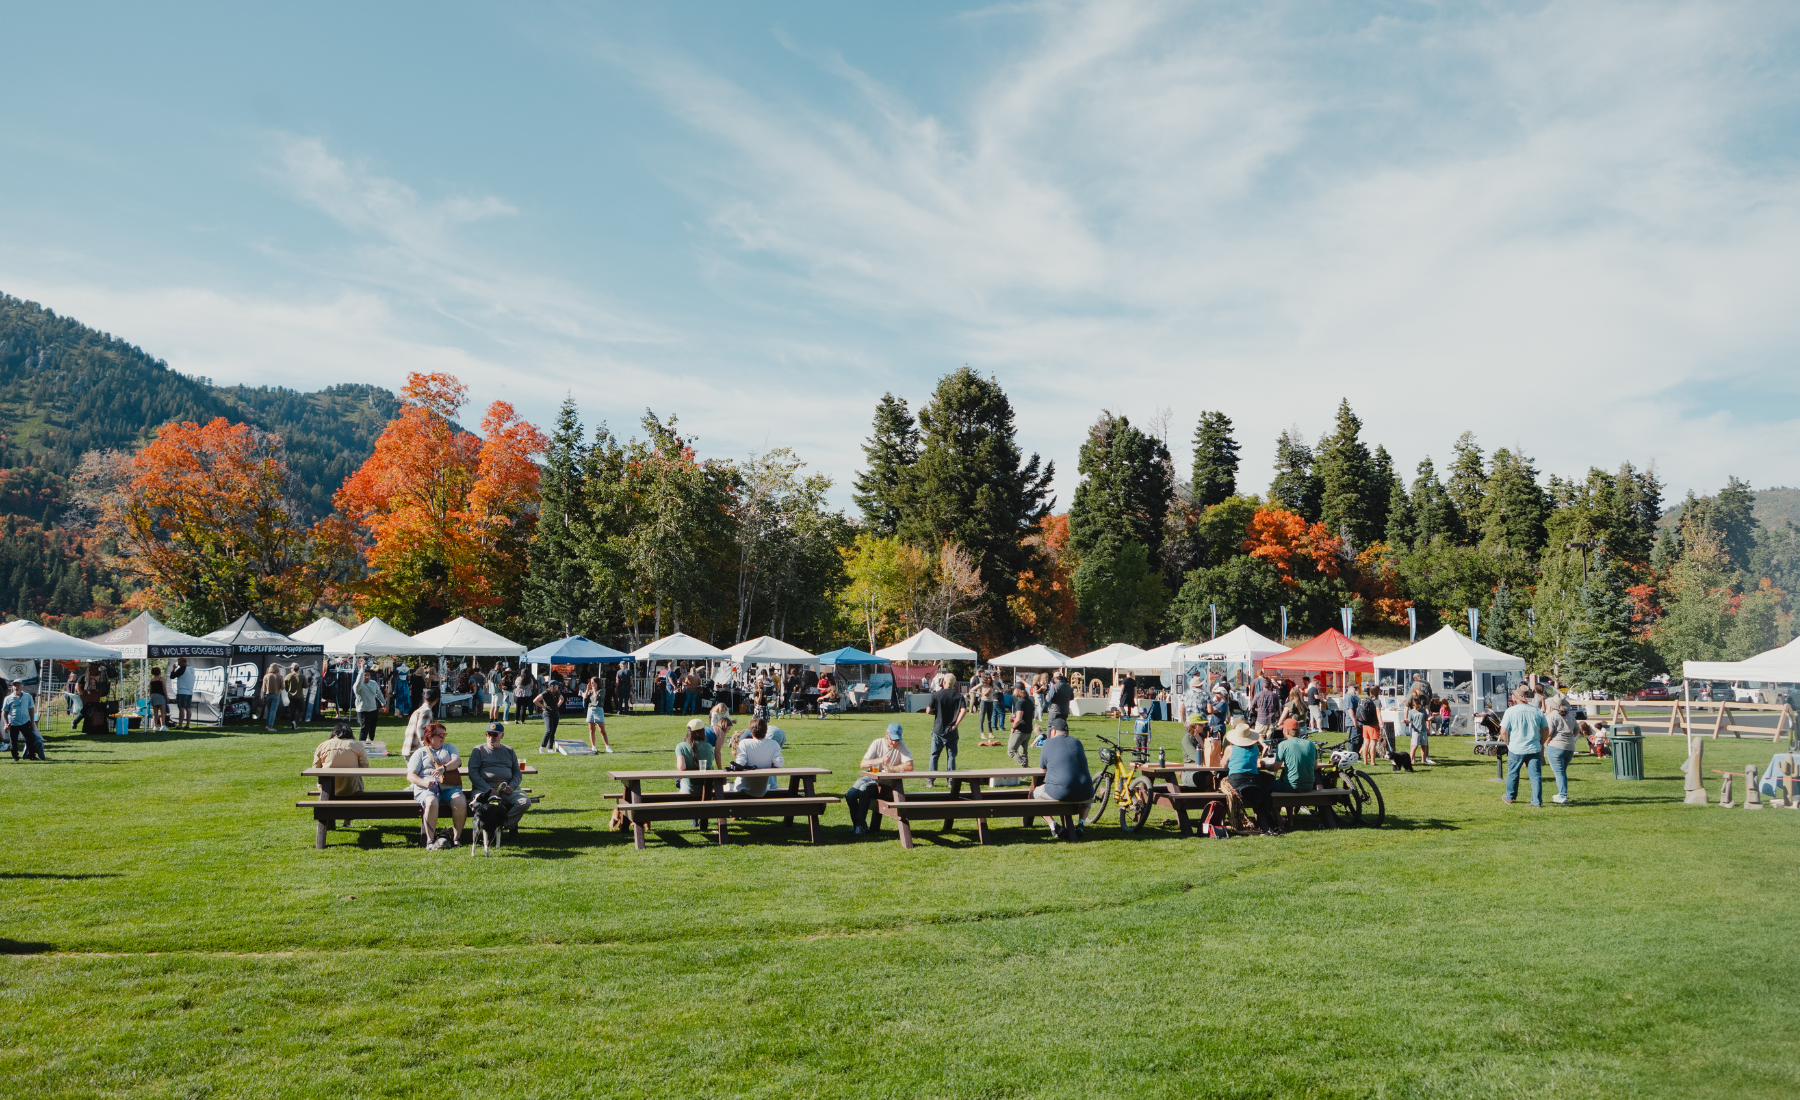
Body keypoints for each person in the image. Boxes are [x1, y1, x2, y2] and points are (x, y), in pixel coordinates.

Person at [846, 722, 913, 834]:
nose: (894, 742)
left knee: (864, 790)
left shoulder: (901, 745)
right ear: (886, 734)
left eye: (897, 740)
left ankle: (860, 826)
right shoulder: (877, 743)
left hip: (886, 783)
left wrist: (893, 768)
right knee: (850, 795)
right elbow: (863, 763)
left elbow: (910, 766)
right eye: (892, 739)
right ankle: (857, 824)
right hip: (870, 777)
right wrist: (879, 760)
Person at [408, 723, 465, 849]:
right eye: (440, 734)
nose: (443, 737)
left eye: (444, 734)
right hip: (427, 789)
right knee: (432, 802)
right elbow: (410, 775)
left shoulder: (449, 747)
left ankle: (457, 838)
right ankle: (430, 841)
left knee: (460, 801)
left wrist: (443, 768)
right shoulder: (420, 753)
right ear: (429, 736)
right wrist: (424, 783)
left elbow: (457, 761)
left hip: (449, 787)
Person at [1035, 719, 1095, 839]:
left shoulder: (1047, 743)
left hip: (1061, 790)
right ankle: (1081, 824)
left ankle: (1053, 825)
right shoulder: (1077, 742)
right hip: (1086, 790)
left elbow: (1042, 769)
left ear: (1053, 731)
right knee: (1085, 792)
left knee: (1033, 795)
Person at [469, 721, 530, 833]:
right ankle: (487, 829)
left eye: (495, 735)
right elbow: (473, 774)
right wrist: (488, 790)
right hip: (483, 789)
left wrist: (511, 786)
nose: (491, 737)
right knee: (478, 803)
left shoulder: (509, 750)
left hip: (507, 789)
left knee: (524, 802)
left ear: (502, 735)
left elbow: (517, 773)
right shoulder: (478, 750)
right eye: (488, 734)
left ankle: (501, 825)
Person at [1222, 720, 1281, 836]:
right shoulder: (1254, 749)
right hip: (1254, 782)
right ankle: (1267, 823)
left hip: (1236, 782)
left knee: (1222, 786)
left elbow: (1222, 765)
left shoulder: (1230, 748)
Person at [1502, 686, 1548, 807]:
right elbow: (1546, 730)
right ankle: (1536, 801)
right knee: (1535, 775)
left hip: (1516, 747)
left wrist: (1507, 743)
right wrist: (1541, 742)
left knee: (1513, 773)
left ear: (1516, 697)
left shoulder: (1510, 711)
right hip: (1534, 747)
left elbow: (1503, 731)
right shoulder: (1537, 711)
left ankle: (1510, 796)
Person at [925, 671, 966, 780]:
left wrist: (936, 712)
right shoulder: (958, 696)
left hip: (938, 728)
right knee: (951, 756)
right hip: (952, 729)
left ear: (944, 682)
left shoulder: (936, 695)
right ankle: (951, 780)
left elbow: (928, 710)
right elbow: (963, 710)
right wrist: (956, 724)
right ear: (953, 683)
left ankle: (930, 780)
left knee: (934, 755)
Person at [731, 716, 784, 795]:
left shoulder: (744, 743)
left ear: (750, 731)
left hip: (743, 787)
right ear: (766, 729)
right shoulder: (774, 744)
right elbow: (779, 763)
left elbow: (740, 763)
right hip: (765, 788)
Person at [311, 722, 369, 795]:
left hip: (327, 788)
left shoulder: (323, 745)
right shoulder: (357, 745)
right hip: (352, 788)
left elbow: (316, 769)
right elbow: (364, 767)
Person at [1544, 696, 1578, 804]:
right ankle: (1561, 793)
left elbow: (1549, 732)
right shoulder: (1570, 716)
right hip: (1569, 747)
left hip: (1556, 746)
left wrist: (1546, 742)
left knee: (1559, 772)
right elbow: (1577, 730)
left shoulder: (1552, 715)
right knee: (1562, 771)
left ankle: (1563, 796)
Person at [4, 679, 43, 761]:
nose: (16, 687)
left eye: (18, 685)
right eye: (15, 685)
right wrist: (5, 723)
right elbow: (4, 712)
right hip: (13, 723)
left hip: (25, 722)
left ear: (22, 686)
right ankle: (15, 757)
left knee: (31, 739)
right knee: (13, 742)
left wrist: (32, 721)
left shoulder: (28, 696)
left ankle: (31, 755)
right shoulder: (8, 698)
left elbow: (31, 709)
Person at [675, 719, 715, 793]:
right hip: (706, 789)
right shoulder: (709, 746)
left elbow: (681, 767)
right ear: (702, 731)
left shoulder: (681, 746)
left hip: (688, 787)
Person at [1274, 727, 1317, 794]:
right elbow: (1315, 766)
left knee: (1266, 786)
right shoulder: (1310, 744)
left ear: (1286, 731)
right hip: (1309, 786)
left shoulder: (1283, 744)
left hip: (1291, 786)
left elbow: (1275, 768)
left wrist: (1265, 765)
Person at [402, 688, 440, 760]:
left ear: (424, 698)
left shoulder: (418, 711)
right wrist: (428, 749)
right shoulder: (426, 711)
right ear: (437, 700)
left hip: (408, 747)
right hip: (415, 751)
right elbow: (422, 731)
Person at [1008, 677, 1037, 768]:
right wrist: (1015, 716)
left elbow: (1019, 719)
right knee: (1023, 753)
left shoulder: (1019, 702)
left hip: (1020, 730)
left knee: (1011, 751)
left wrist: (1013, 727)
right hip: (1028, 730)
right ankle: (1025, 774)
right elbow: (1030, 715)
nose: (1013, 691)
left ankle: (1025, 766)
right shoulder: (1029, 701)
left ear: (1017, 690)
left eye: (1014, 689)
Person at [353, 660, 384, 742]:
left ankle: (370, 741)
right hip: (363, 710)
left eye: (368, 675)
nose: (366, 677)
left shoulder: (373, 683)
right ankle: (361, 744)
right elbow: (359, 681)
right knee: (364, 728)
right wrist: (362, 669)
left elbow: (379, 693)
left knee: (372, 728)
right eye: (364, 675)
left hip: (373, 709)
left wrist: (383, 702)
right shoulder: (358, 686)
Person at [583, 676, 613, 752]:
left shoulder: (602, 690)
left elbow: (597, 698)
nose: (591, 684)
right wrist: (587, 689)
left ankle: (607, 747)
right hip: (590, 709)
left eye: (593, 682)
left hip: (598, 709)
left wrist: (594, 689)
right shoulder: (590, 691)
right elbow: (585, 698)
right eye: (591, 682)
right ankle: (593, 746)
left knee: (602, 730)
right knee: (591, 730)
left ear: (597, 683)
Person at [536, 676, 564, 751]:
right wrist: (543, 706)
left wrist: (558, 705)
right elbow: (536, 700)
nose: (558, 687)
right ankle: (542, 747)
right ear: (553, 686)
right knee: (548, 730)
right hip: (547, 713)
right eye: (557, 685)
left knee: (553, 731)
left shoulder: (557, 693)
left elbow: (562, 698)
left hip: (555, 713)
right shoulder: (546, 693)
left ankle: (550, 748)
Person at [172, 657, 195, 730]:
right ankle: (188, 725)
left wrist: (173, 669)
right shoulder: (191, 669)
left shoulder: (182, 669)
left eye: (179, 662)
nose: (178, 664)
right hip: (189, 692)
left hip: (182, 691)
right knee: (188, 708)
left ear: (182, 662)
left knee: (181, 708)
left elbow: (172, 676)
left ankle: (180, 725)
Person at [260, 663, 285, 732]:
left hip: (268, 694)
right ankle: (270, 726)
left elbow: (263, 688)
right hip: (276, 694)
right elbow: (282, 687)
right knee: (273, 711)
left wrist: (264, 696)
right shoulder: (280, 676)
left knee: (268, 710)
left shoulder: (266, 676)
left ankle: (267, 725)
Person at [1409, 697, 1433, 766]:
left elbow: (1427, 718)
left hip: (1423, 730)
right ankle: (1410, 760)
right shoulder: (1411, 712)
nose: (1419, 707)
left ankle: (1423, 760)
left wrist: (1430, 718)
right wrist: (1405, 721)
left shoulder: (1423, 710)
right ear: (1414, 706)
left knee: (1424, 745)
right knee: (1415, 745)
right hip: (1415, 731)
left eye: (1419, 705)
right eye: (1417, 706)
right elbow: (1409, 720)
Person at [283, 663, 306, 729]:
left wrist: (288, 689)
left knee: (292, 711)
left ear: (292, 669)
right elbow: (306, 685)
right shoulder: (302, 676)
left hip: (291, 696)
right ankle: (295, 721)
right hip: (300, 696)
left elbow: (285, 686)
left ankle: (292, 722)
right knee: (301, 710)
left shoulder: (288, 676)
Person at [147, 665, 169, 733]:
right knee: (163, 712)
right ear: (159, 672)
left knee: (155, 712)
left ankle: (155, 726)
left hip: (153, 695)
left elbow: (150, 690)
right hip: (160, 695)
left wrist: (151, 697)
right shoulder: (162, 679)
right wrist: (166, 696)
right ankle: (163, 726)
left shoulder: (151, 680)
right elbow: (164, 689)